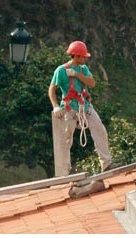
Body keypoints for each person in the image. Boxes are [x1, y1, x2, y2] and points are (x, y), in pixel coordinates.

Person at [48, 40, 119, 176]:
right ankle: (64, 172)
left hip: (84, 106)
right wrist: (56, 106)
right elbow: (52, 89)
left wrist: (76, 74)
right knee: (66, 140)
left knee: (100, 130)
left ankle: (106, 163)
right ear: (76, 56)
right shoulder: (61, 71)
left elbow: (92, 83)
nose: (85, 58)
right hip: (69, 109)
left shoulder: (83, 69)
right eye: (83, 56)